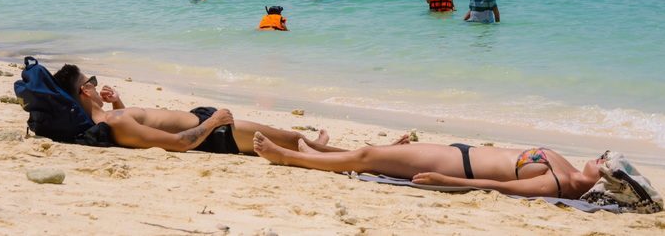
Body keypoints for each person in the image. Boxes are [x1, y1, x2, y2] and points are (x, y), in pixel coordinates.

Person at [52, 64, 336, 155]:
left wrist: (118, 102)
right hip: (217, 134)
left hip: (205, 121)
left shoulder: (113, 118)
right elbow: (178, 143)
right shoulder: (116, 125)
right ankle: (327, 151)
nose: (96, 84)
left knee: (292, 138)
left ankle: (313, 145)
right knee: (293, 139)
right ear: (85, 91)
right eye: (93, 81)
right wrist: (213, 121)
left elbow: (146, 129)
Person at [253, 133, 609, 200]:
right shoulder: (568, 168)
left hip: (456, 165)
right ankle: (317, 151)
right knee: (376, 156)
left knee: (369, 157)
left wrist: (445, 179)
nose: (601, 158)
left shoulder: (561, 186)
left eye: (607, 164)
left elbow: (502, 187)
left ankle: (289, 157)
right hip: (461, 152)